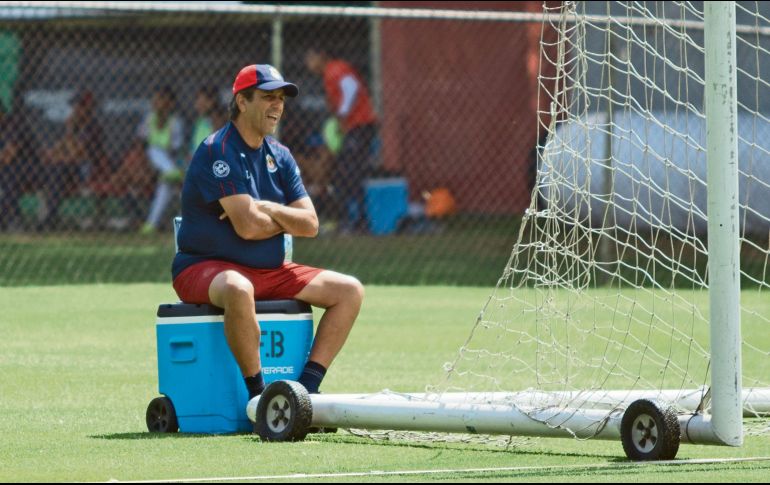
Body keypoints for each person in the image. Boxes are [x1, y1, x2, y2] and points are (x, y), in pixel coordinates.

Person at [172, 64, 364, 400]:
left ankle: (304, 393)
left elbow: (311, 224)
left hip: (270, 270)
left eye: (281, 98)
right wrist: (278, 218)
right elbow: (247, 228)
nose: (277, 105)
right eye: (267, 97)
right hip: (204, 268)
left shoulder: (282, 156)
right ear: (242, 102)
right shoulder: (218, 150)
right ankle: (259, 398)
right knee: (237, 286)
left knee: (349, 291)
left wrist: (269, 209)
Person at [304, 48, 379, 232]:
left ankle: (357, 220)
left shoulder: (335, 69)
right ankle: (356, 220)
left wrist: (342, 115)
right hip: (354, 128)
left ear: (321, 55)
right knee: (348, 173)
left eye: (310, 59)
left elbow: (351, 87)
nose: (309, 65)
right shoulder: (329, 74)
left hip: (360, 126)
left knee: (349, 172)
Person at [39, 90, 105, 228]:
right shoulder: (76, 125)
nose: (76, 109)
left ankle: (50, 216)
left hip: (87, 170)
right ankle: (48, 216)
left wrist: (69, 131)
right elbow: (60, 148)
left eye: (80, 105)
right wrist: (50, 154)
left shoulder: (92, 127)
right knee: (51, 166)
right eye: (75, 105)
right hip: (68, 167)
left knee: (59, 168)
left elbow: (77, 154)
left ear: (89, 108)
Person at [137, 85, 185, 234]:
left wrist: (174, 167)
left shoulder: (175, 122)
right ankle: (170, 172)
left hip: (171, 162)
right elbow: (141, 145)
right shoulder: (149, 120)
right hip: (150, 162)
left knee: (166, 184)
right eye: (155, 99)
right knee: (154, 149)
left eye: (161, 99)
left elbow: (176, 151)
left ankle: (151, 224)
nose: (156, 102)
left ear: (170, 103)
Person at [0, 100, 38, 230]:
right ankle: (9, 217)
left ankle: (12, 219)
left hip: (30, 168)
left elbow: (10, 155)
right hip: (7, 169)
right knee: (7, 174)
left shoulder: (14, 123)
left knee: (9, 174)